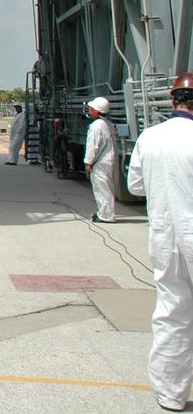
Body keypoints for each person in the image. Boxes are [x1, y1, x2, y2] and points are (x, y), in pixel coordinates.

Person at [126, 72, 193, 412]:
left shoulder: (149, 138)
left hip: (164, 235)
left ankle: (170, 393)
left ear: (172, 101)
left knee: (171, 311)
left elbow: (135, 186)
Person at [84, 96, 119, 223]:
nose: (89, 110)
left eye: (91, 109)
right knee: (108, 188)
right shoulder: (108, 124)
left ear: (97, 111)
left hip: (100, 162)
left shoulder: (96, 126)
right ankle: (105, 212)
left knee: (101, 188)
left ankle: (106, 215)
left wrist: (88, 162)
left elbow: (92, 146)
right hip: (109, 161)